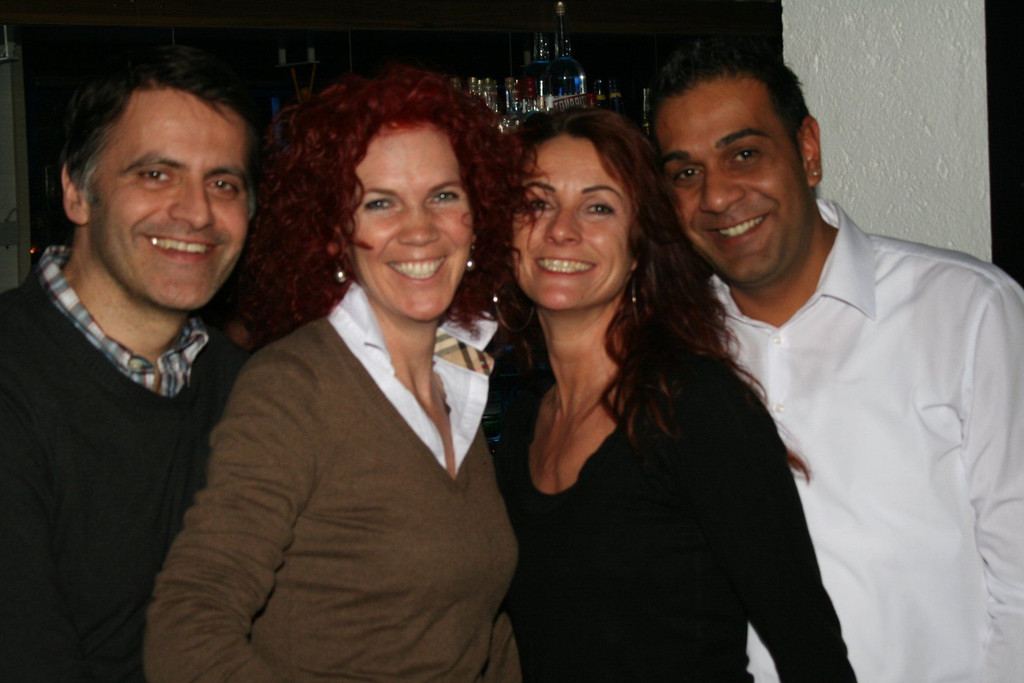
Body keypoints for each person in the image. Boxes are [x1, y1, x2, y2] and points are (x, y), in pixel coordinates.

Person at [652, 36, 1024, 683]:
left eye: (744, 154)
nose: (716, 196)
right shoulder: (670, 351)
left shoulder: (968, 311)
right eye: (686, 172)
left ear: (808, 150)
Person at [144, 65, 523, 682]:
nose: (420, 229)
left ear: (476, 217)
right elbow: (187, 626)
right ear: (333, 234)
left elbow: (477, 623)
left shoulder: (457, 379)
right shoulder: (295, 386)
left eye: (443, 196)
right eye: (380, 203)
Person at [493, 107, 854, 682]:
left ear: (640, 244)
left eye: (598, 207)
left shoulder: (694, 406)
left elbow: (810, 650)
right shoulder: (522, 426)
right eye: (536, 203)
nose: (561, 230)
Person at [0, 45, 258, 680]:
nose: (197, 212)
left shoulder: (249, 388)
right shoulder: (13, 379)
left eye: (223, 183)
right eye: (156, 174)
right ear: (76, 192)